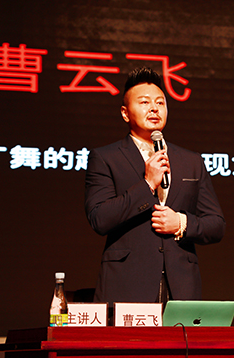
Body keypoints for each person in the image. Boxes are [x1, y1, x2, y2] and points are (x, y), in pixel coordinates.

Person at [85, 67, 225, 305]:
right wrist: (147, 184)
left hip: (181, 288)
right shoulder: (106, 158)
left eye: (160, 102)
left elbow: (216, 225)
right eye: (144, 102)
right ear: (125, 113)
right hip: (128, 285)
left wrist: (181, 223)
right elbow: (100, 218)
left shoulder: (191, 161)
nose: (154, 108)